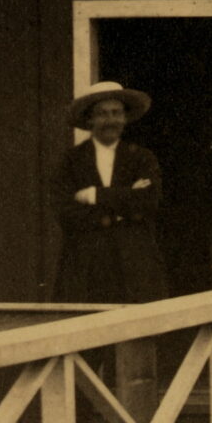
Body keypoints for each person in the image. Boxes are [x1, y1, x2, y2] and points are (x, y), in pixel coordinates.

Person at [53, 82, 168, 305]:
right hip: (86, 264)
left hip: (134, 263)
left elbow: (149, 203)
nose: (110, 120)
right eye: (102, 114)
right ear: (90, 120)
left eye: (117, 113)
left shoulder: (142, 158)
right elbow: (65, 211)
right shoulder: (70, 161)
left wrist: (96, 195)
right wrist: (122, 206)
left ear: (125, 119)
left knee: (139, 331)